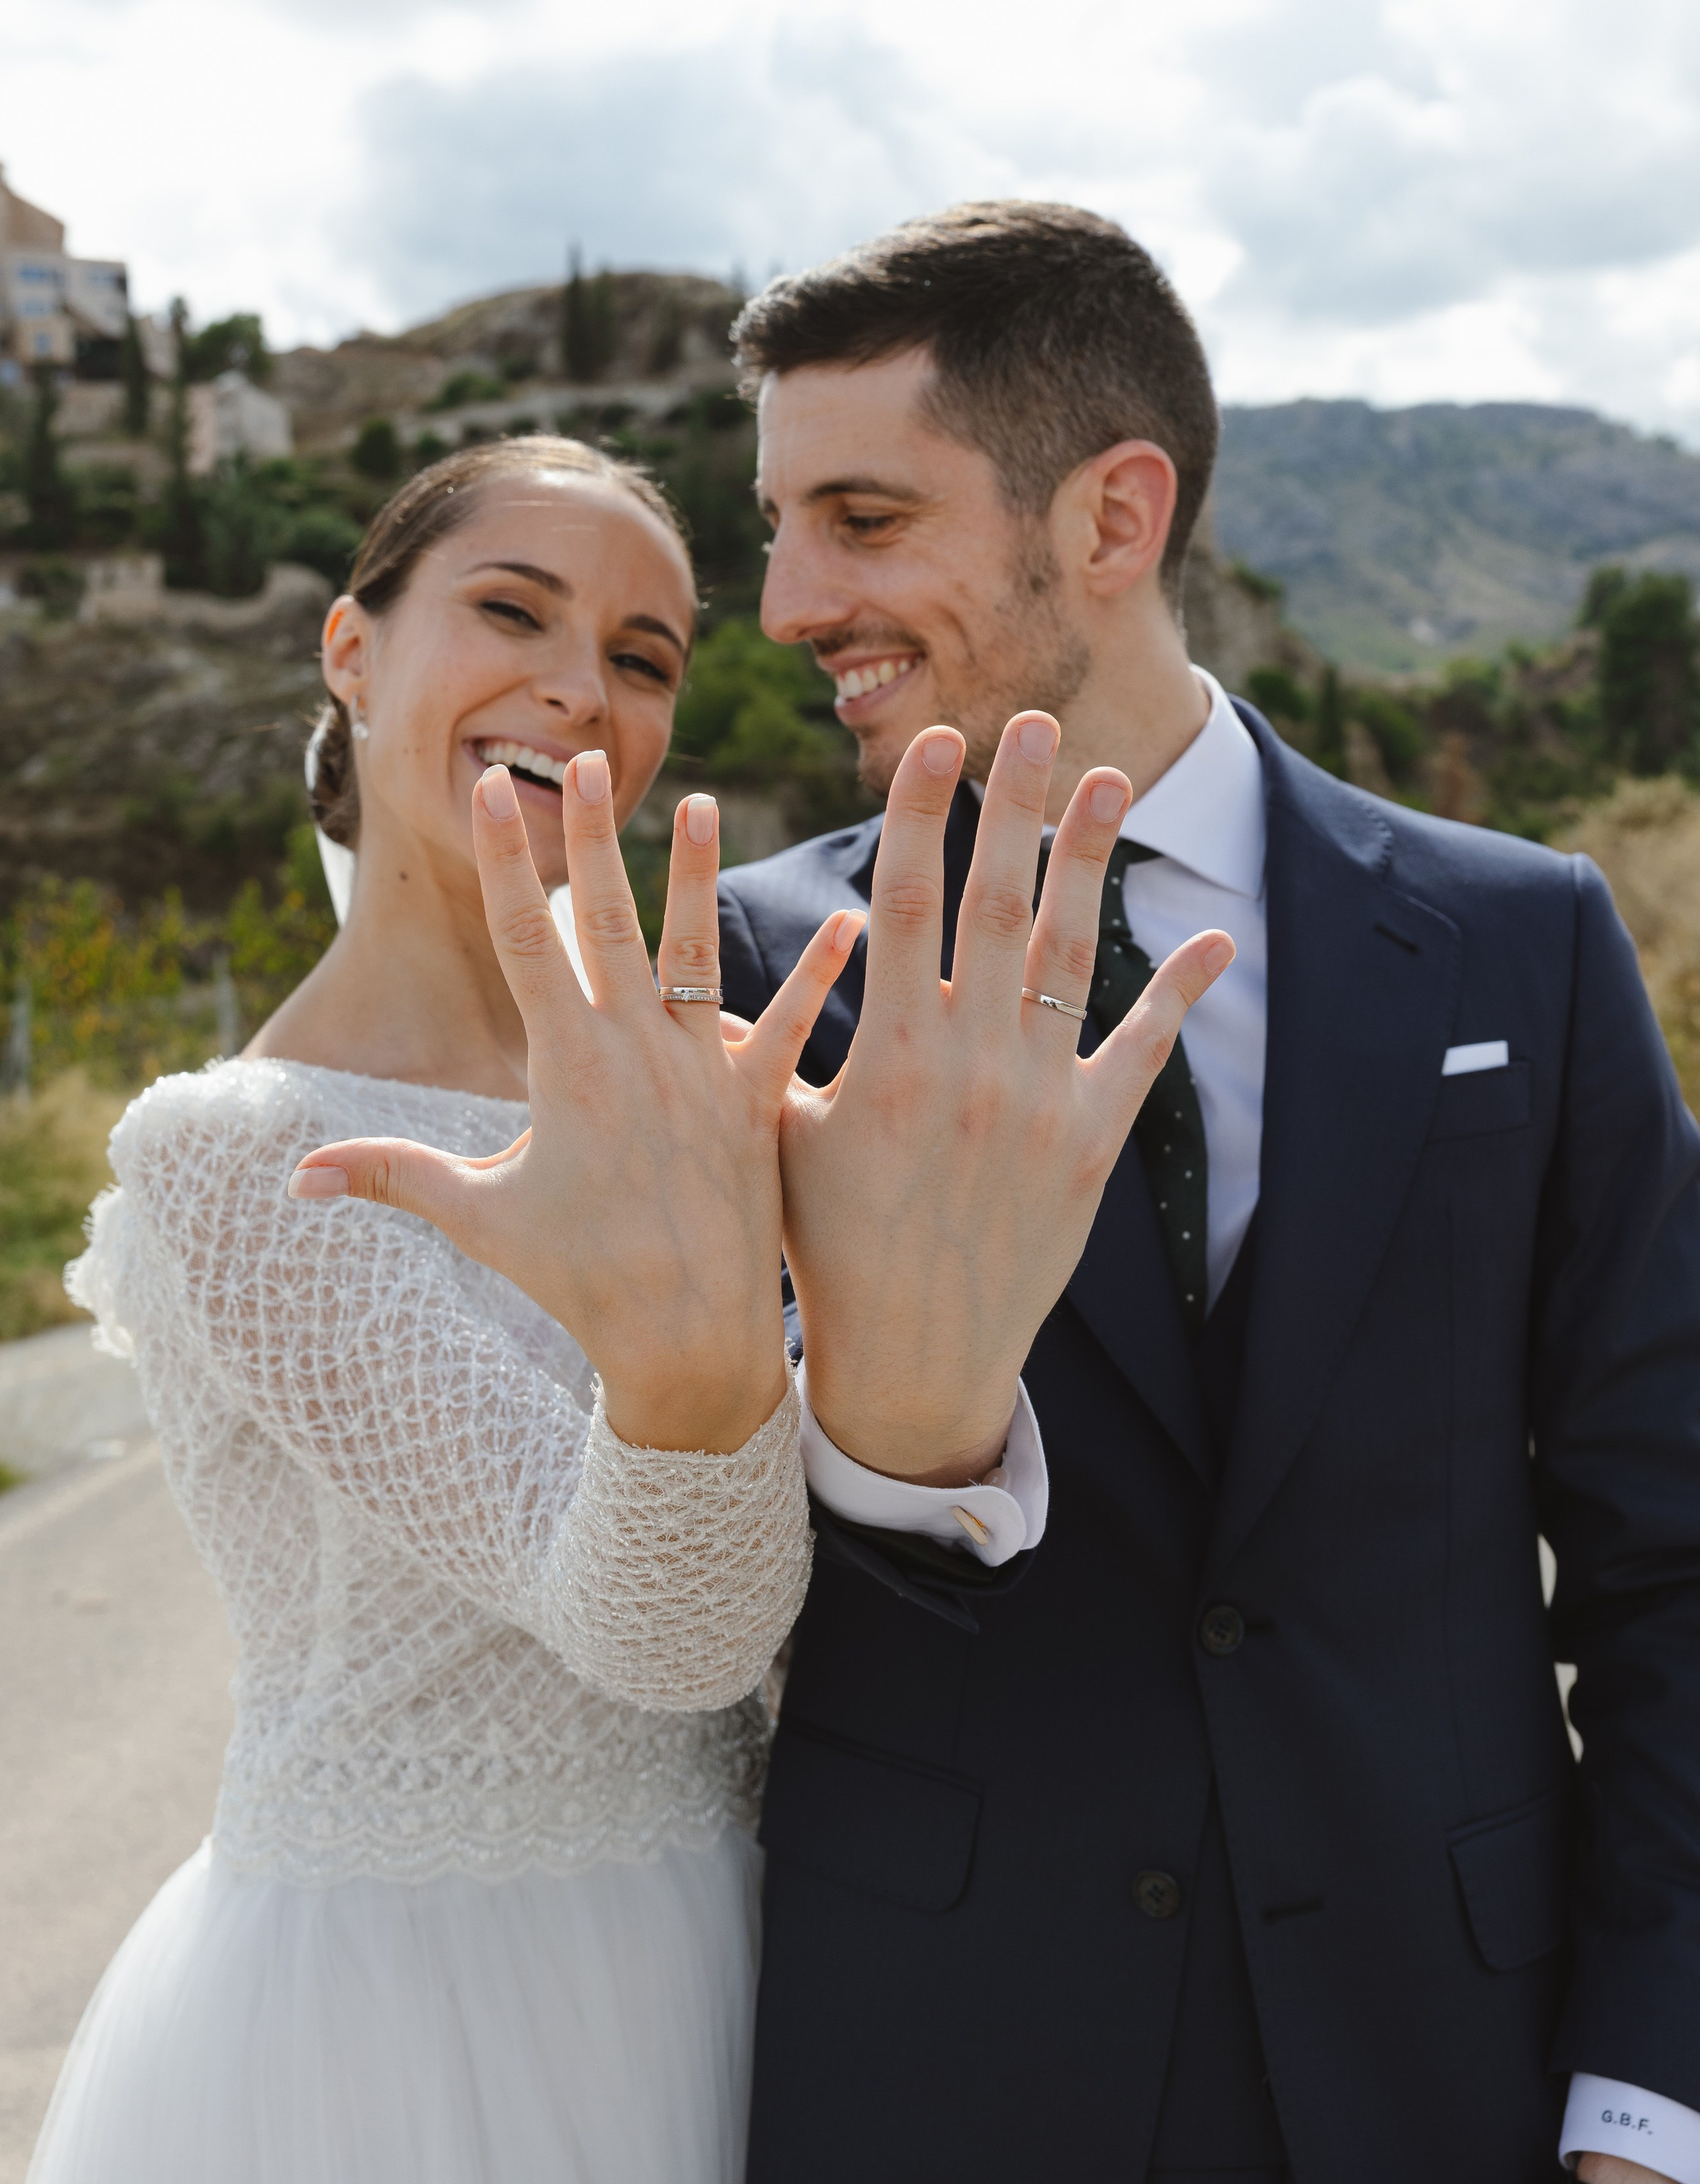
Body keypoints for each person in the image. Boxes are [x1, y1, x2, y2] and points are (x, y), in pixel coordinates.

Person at [30, 431, 1230, 2184]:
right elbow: (668, 1633)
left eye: (643, 656)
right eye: (510, 608)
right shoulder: (240, 1158)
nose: (577, 688)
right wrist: (727, 1342)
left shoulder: (698, 1078)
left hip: (758, 1946)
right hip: (417, 2021)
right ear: (352, 653)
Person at [709, 204, 1700, 2184]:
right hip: (943, 2069)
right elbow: (707, 1567)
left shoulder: (1524, 948)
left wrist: (1648, 2095)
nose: (790, 601)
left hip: (1452, 2065)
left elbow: (1672, 1560)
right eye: (774, 526)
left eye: (865, 519)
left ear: (1114, 516)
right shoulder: (757, 972)